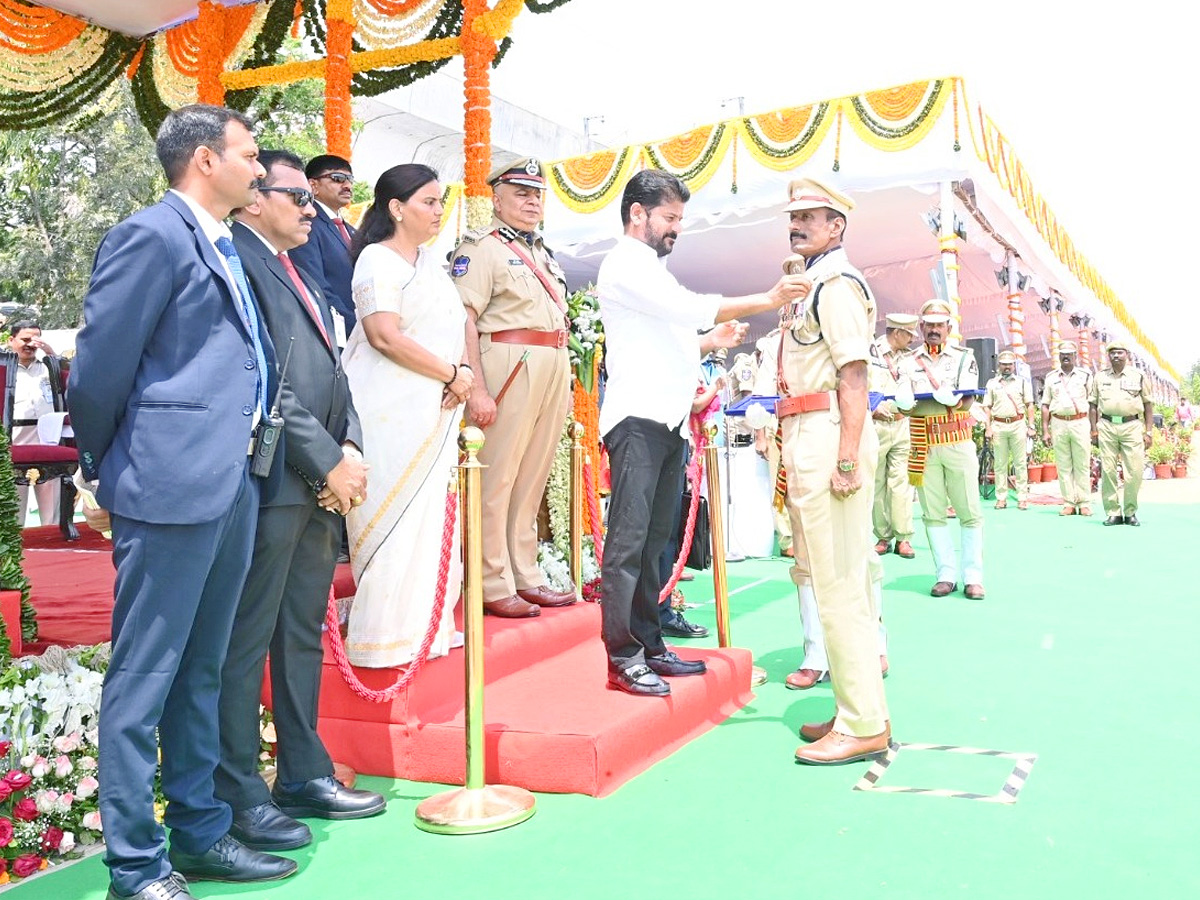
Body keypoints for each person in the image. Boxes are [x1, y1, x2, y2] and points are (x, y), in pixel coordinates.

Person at [69, 104, 294, 900]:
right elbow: (97, 373)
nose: (259, 168)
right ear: (204, 160)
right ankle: (135, 864)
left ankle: (199, 834)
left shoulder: (226, 242)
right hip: (167, 487)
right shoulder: (151, 236)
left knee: (202, 671)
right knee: (145, 677)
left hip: (231, 482)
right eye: (248, 153)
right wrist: (106, 468)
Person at [214, 150, 384, 856]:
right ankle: (237, 794)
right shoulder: (240, 264)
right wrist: (327, 457)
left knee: (299, 634)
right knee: (245, 640)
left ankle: (303, 772)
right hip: (276, 478)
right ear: (255, 199)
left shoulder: (299, 266)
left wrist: (350, 445)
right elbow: (266, 380)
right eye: (298, 197)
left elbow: (329, 372)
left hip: (318, 480)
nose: (313, 209)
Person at [596, 168, 808, 697]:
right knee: (628, 545)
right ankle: (622, 657)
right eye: (669, 218)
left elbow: (669, 333)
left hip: (668, 421)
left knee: (655, 546)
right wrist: (766, 298)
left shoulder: (650, 268)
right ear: (637, 214)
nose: (676, 229)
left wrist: (709, 340)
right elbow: (684, 309)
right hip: (638, 420)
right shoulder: (624, 263)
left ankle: (649, 643)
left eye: (679, 219)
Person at [769, 177, 889, 764]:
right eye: (794, 217)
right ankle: (853, 708)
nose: (798, 225)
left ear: (837, 225)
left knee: (840, 582)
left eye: (811, 218)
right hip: (805, 430)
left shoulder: (836, 284)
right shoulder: (812, 282)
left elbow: (854, 375)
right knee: (832, 577)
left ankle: (864, 721)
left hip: (826, 433)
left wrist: (846, 456)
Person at [343, 164, 472, 664]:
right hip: (387, 410)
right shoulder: (378, 259)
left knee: (431, 517)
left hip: (434, 408)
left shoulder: (431, 261)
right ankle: (384, 640)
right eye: (428, 202)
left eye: (441, 202)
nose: (439, 211)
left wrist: (458, 371)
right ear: (396, 208)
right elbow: (383, 335)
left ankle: (427, 628)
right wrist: (451, 373)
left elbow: (452, 325)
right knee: (393, 517)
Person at [451, 157, 575, 618]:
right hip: (509, 358)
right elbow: (463, 315)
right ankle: (488, 579)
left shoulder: (541, 250)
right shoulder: (480, 248)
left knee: (532, 474)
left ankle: (525, 573)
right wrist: (476, 387)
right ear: (496, 198)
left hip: (551, 359)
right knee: (497, 473)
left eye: (536, 193)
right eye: (520, 192)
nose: (531, 201)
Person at [895, 299, 983, 600]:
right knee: (932, 512)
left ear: (949, 328)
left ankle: (973, 576)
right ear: (921, 327)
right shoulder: (908, 361)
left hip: (956, 438)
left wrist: (953, 401)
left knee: (969, 510)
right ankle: (945, 574)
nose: (934, 330)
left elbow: (968, 398)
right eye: (928, 325)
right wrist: (903, 403)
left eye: (939, 325)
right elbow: (905, 404)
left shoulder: (963, 357)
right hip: (923, 442)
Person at [290, 154, 356, 342]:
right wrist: (358, 328)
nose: (347, 186)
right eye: (337, 179)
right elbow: (315, 286)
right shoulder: (307, 225)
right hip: (334, 334)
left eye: (350, 179)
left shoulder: (353, 231)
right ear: (313, 185)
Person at [7, 321, 67, 525]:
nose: (30, 344)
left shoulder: (47, 367)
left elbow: (70, 379)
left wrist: (52, 354)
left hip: (47, 437)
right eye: (25, 339)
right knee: (14, 506)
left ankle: (52, 546)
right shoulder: (4, 368)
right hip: (14, 436)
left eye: (35, 340)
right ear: (11, 340)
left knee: (52, 507)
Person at [869, 313, 919, 557]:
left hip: (902, 424)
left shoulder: (910, 357)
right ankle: (882, 536)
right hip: (875, 425)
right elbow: (859, 382)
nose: (911, 339)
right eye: (909, 334)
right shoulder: (871, 351)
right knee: (876, 483)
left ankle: (904, 537)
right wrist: (870, 407)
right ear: (897, 332)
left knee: (902, 483)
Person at [1089, 340, 1153, 526]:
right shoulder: (1100, 377)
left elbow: (1148, 405)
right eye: (1113, 353)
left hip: (1132, 426)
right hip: (1107, 425)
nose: (1116, 356)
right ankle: (1113, 512)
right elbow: (1092, 405)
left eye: (1120, 353)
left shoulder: (1139, 375)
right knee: (1108, 470)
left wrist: (1148, 432)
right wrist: (1093, 431)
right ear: (1108, 356)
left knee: (1134, 470)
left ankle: (1130, 512)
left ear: (1127, 355)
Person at [751, 328, 794, 558]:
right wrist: (760, 437)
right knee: (781, 485)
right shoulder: (774, 344)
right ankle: (787, 540)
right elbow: (761, 395)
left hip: (811, 423)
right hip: (778, 424)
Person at [1040, 340, 1094, 515]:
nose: (1065, 357)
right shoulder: (1050, 377)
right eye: (1062, 354)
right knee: (1063, 465)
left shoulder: (1085, 375)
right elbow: (1045, 405)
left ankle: (1084, 502)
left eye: (1069, 354)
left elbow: (1093, 403)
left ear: (1075, 356)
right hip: (1059, 423)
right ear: (1059, 357)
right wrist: (1045, 430)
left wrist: (1095, 428)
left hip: (1080, 422)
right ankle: (1069, 502)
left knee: (1082, 464)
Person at [982, 350, 1036, 510]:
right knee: (999, 464)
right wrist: (988, 428)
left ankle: (1022, 498)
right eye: (1004, 364)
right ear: (999, 365)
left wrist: (1031, 426)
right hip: (998, 425)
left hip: (1018, 424)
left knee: (1020, 463)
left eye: (1010, 364)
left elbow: (1030, 405)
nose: (1007, 367)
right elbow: (987, 407)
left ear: (1014, 366)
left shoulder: (1022, 382)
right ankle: (1001, 498)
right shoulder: (992, 383)